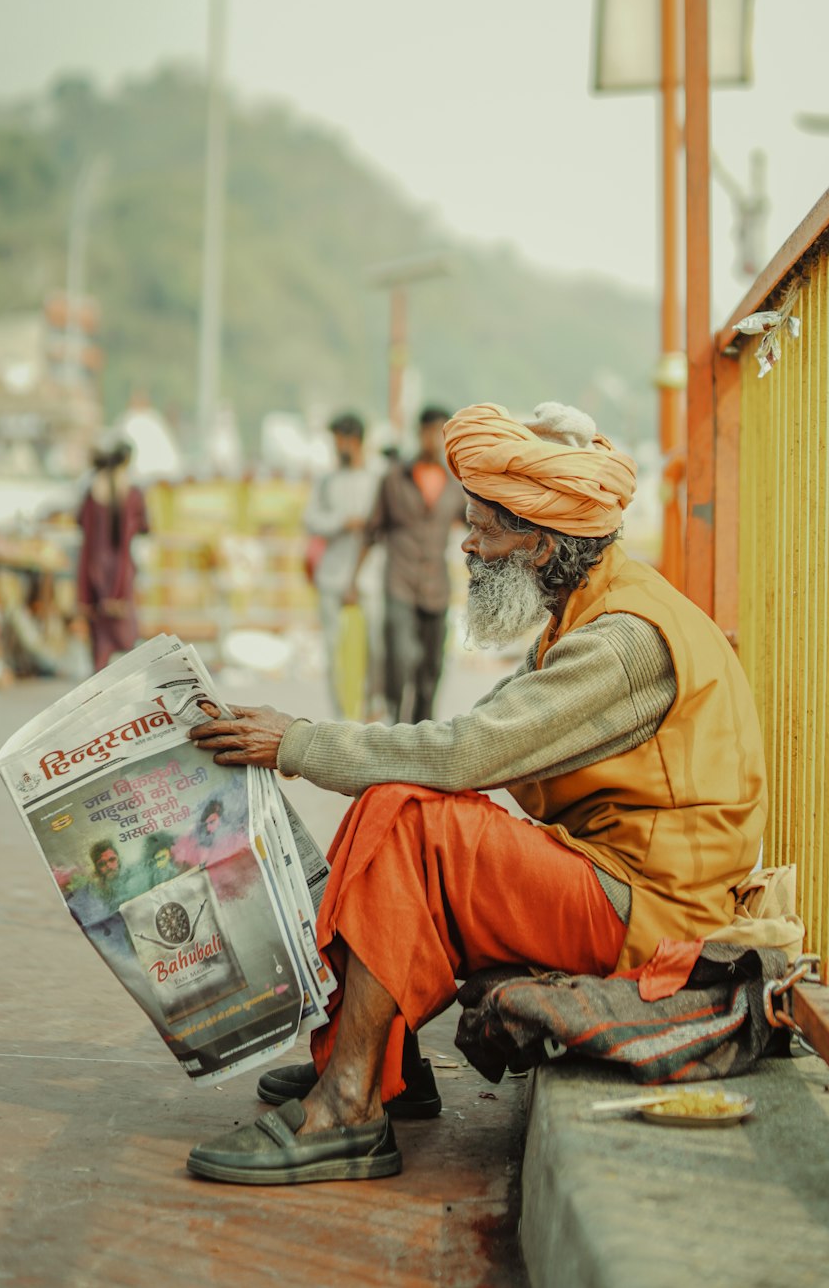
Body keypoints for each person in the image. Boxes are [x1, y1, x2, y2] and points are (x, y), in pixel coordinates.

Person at [183, 399, 767, 1188]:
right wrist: (314, 745)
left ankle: (349, 1106)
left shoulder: (624, 641)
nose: (469, 543)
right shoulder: (586, 616)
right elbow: (469, 735)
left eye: (486, 527)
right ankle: (385, 1066)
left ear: (541, 539)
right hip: (608, 877)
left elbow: (464, 754)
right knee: (399, 801)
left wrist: (297, 743)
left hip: (654, 913)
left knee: (411, 817)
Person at [345, 404, 466, 724]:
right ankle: (395, 725)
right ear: (419, 433)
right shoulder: (394, 480)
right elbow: (371, 533)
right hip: (399, 582)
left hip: (436, 587)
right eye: (430, 433)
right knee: (399, 660)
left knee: (432, 667)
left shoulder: (455, 486)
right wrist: (352, 581)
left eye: (442, 435)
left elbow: (477, 527)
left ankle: (424, 729)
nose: (434, 441)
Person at [302, 412, 381, 718]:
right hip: (333, 578)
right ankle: (340, 715)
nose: (337, 449)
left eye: (340, 442)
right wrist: (340, 523)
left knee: (375, 649)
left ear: (354, 441)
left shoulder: (376, 480)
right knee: (334, 650)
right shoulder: (326, 481)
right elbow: (310, 520)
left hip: (369, 579)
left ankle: (371, 707)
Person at [75, 437, 149, 673]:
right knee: (125, 633)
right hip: (121, 570)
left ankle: (99, 678)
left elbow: (80, 522)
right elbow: (145, 525)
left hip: (94, 567)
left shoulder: (93, 492)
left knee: (100, 635)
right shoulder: (132, 492)